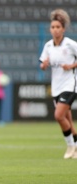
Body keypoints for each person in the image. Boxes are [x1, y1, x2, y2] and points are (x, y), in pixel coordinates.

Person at [39, 9, 77, 159]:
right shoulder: (48, 46)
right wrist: (44, 65)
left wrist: (72, 66)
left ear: (63, 29)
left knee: (58, 115)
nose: (55, 30)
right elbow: (42, 63)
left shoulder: (70, 44)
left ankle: (70, 146)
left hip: (71, 84)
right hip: (56, 86)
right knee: (67, 119)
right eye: (53, 27)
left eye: (58, 27)